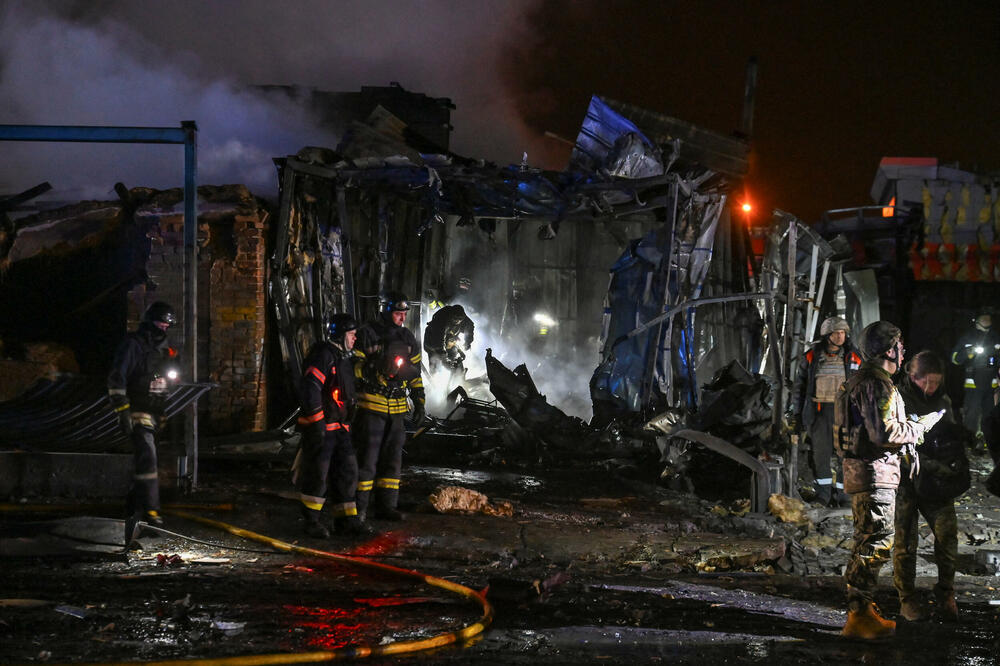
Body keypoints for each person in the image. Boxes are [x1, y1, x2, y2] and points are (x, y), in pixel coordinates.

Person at [838, 320, 943, 639]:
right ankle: (858, 616)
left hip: (865, 471)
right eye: (899, 346)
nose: (903, 352)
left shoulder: (859, 381)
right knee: (876, 543)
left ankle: (862, 610)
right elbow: (883, 432)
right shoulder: (877, 383)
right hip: (875, 474)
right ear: (889, 349)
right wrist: (919, 428)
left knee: (868, 540)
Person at [893, 351, 961, 622]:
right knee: (905, 545)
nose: (930, 388)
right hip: (905, 483)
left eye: (936, 382)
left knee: (947, 538)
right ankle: (906, 599)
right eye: (926, 382)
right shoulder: (896, 398)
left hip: (935, 485)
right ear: (913, 376)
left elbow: (950, 437)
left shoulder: (943, 400)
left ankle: (945, 593)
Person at [108, 301, 181, 548]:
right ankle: (152, 513)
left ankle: (132, 511)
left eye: (168, 324)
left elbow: (168, 380)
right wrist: (123, 411)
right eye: (161, 322)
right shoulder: (133, 345)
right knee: (148, 458)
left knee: (144, 462)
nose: (164, 327)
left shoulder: (165, 349)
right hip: (136, 409)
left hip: (156, 411)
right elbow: (117, 378)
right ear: (150, 320)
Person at [293, 313, 369, 538]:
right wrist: (317, 423)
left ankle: (345, 521)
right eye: (352, 334)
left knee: (347, 472)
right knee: (318, 474)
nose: (355, 339)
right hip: (323, 428)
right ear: (340, 334)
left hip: (340, 428)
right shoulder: (323, 355)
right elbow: (310, 389)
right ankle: (311, 521)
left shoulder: (342, 358)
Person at [353, 291, 425, 522]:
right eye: (397, 313)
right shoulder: (367, 334)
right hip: (371, 406)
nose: (402, 318)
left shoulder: (408, 338)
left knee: (393, 460)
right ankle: (358, 510)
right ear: (385, 311)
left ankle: (386, 506)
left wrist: (420, 402)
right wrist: (374, 367)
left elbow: (415, 375)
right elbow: (352, 367)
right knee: (367, 460)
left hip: (396, 410)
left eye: (404, 314)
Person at [787, 316, 862, 506]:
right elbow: (799, 388)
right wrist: (797, 414)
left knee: (845, 455)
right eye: (836, 333)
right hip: (820, 413)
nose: (840, 336)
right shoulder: (812, 357)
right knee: (820, 455)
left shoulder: (853, 357)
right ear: (827, 335)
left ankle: (843, 496)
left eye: (843, 333)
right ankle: (823, 495)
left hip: (845, 414)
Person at [951, 310, 1000, 447]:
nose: (986, 320)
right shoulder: (968, 337)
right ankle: (970, 439)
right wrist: (967, 353)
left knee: (990, 414)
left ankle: (988, 441)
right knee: (972, 413)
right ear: (977, 320)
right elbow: (954, 358)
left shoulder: (995, 337)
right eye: (983, 318)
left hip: (991, 383)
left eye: (988, 318)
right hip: (973, 382)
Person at [423, 303, 475, 380]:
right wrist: (443, 357)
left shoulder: (462, 318)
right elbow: (438, 340)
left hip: (449, 339)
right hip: (432, 341)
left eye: (460, 320)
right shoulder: (441, 320)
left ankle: (458, 377)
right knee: (435, 359)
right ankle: (434, 380)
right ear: (451, 316)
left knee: (454, 357)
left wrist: (467, 342)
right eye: (455, 319)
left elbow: (470, 327)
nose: (457, 321)